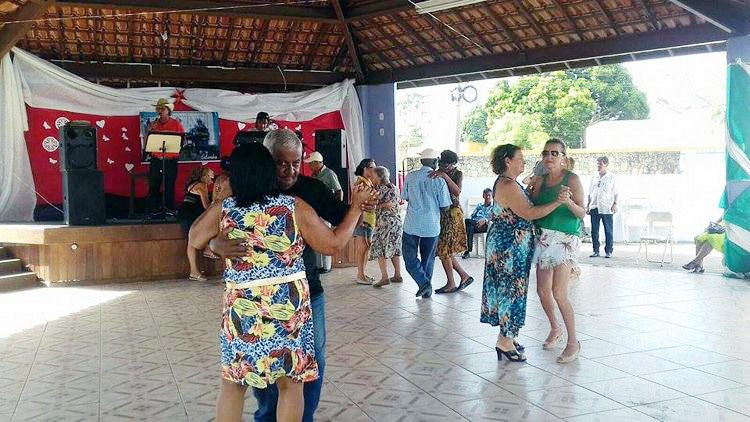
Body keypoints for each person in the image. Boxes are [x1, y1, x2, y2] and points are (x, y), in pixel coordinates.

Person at [188, 143, 373, 422]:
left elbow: (193, 239)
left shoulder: (224, 210)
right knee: (290, 383)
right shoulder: (293, 207)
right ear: (269, 172)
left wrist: (215, 238)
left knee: (234, 383)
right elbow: (334, 245)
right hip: (286, 305)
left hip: (242, 307)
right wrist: (357, 207)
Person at [481, 145, 563, 362]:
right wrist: (558, 202)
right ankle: (504, 341)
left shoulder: (510, 184)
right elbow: (529, 212)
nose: (523, 162)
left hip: (512, 246)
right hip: (509, 248)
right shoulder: (507, 185)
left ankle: (509, 334)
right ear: (508, 161)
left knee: (513, 289)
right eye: (520, 159)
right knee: (510, 290)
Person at [529, 138, 586, 363]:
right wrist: (531, 186)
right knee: (542, 291)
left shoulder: (572, 179)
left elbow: (582, 212)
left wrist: (568, 202)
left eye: (555, 153)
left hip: (565, 237)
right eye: (546, 153)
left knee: (559, 292)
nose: (550, 157)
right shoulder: (541, 180)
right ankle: (555, 328)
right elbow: (532, 205)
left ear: (564, 158)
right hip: (543, 237)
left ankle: (573, 342)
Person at [402, 148, 452, 299]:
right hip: (431, 226)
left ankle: (424, 285)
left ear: (420, 161)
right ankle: (425, 286)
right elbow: (445, 206)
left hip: (411, 224)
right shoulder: (439, 180)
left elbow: (405, 197)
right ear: (435, 162)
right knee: (428, 259)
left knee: (409, 259)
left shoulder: (410, 177)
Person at [432, 150, 473, 294]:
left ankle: (452, 282)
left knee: (444, 249)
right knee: (445, 250)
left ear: (453, 164)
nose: (444, 167)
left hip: (453, 214)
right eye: (442, 163)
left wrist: (445, 177)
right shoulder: (437, 172)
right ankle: (463, 276)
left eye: (447, 165)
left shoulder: (457, 174)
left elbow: (457, 191)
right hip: (441, 215)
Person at [147, 98, 185, 212]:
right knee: (154, 185)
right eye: (158, 109)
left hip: (170, 160)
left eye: (162, 109)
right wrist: (149, 131)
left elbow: (183, 141)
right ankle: (152, 211)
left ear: (168, 110)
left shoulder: (176, 124)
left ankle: (169, 210)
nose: (160, 111)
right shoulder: (154, 124)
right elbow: (148, 143)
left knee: (169, 186)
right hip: (156, 159)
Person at [368, 166, 403, 288]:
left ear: (379, 177)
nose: (371, 178)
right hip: (396, 222)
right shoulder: (394, 187)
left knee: (379, 247)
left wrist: (380, 206)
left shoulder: (379, 189)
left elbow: (371, 205)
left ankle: (384, 277)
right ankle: (397, 274)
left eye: (373, 176)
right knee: (394, 247)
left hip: (385, 223)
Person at [177, 167, 214, 281]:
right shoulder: (201, 186)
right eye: (211, 178)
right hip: (189, 215)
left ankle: (206, 250)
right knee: (191, 243)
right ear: (205, 176)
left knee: (192, 241)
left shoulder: (195, 184)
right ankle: (194, 271)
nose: (212, 181)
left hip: (187, 214)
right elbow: (206, 206)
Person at [586, 156, 618, 258]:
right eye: (597, 164)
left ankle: (608, 251)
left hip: (606, 208)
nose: (598, 166)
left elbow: (616, 192)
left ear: (606, 165)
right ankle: (596, 250)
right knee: (594, 231)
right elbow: (590, 193)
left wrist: (615, 204)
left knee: (608, 230)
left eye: (600, 164)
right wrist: (587, 206)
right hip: (594, 207)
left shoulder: (612, 177)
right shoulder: (594, 177)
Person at [353, 159, 377, 285]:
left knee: (366, 247)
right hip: (363, 219)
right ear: (365, 168)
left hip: (369, 218)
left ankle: (362, 274)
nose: (374, 170)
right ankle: (360, 274)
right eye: (372, 167)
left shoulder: (368, 182)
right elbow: (360, 202)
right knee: (362, 248)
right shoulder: (360, 183)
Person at [462, 188, 493, 259]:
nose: (487, 197)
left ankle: (468, 250)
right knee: (469, 225)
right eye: (486, 195)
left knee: (468, 222)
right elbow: (473, 215)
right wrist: (476, 221)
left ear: (492, 196)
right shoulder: (479, 206)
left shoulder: (493, 207)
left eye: (489, 195)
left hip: (484, 226)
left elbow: (493, 218)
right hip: (475, 224)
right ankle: (468, 250)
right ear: (483, 196)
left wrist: (485, 220)